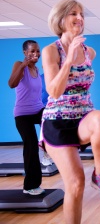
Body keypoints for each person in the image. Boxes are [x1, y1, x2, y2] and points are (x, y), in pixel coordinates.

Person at [40, 0, 100, 224]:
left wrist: (78, 51)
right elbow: (54, 91)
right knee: (75, 184)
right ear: (60, 19)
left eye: (82, 14)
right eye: (74, 13)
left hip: (83, 116)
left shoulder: (89, 52)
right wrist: (69, 60)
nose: (80, 18)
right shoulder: (50, 51)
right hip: (57, 122)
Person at [8, 40, 45, 195]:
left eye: (38, 51)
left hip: (38, 110)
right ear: (25, 53)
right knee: (30, 147)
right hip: (22, 114)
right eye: (32, 51)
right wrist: (23, 65)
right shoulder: (19, 65)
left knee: (53, 118)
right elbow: (11, 84)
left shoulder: (37, 69)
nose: (36, 54)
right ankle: (30, 186)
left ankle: (47, 145)